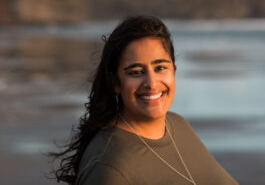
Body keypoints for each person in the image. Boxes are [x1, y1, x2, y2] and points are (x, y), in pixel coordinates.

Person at [50, 15, 239, 185]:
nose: (151, 83)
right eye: (136, 72)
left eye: (160, 68)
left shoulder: (177, 125)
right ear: (116, 82)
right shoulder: (109, 169)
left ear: (174, 70)